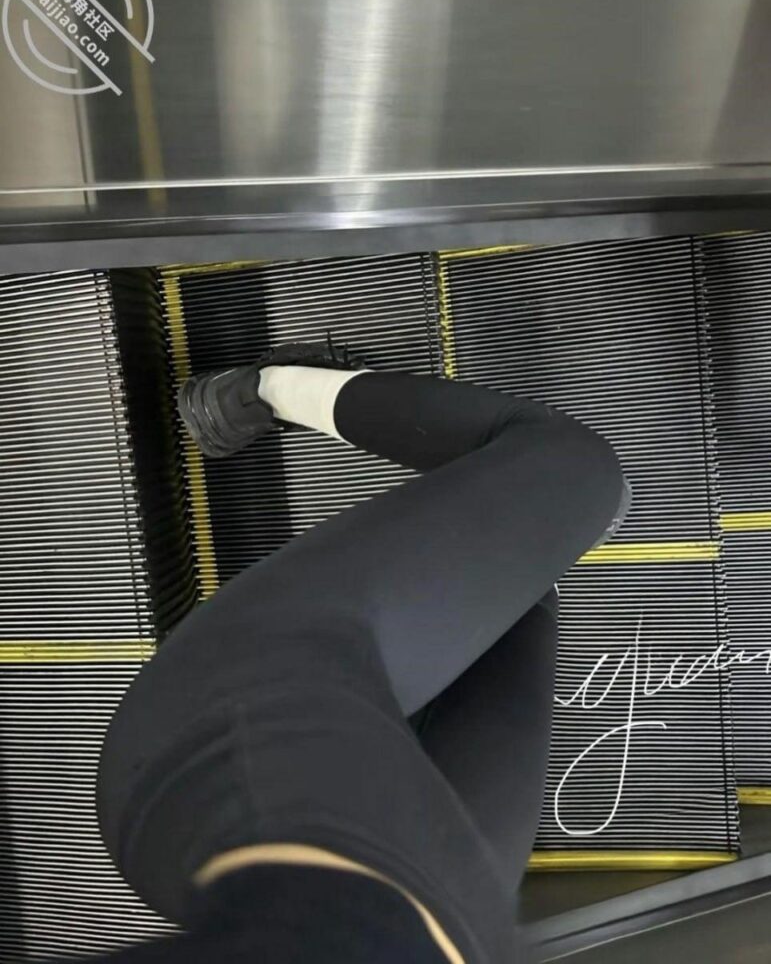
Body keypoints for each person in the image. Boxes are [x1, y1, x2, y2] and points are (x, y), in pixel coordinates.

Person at [87, 340, 629, 964]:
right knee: (529, 587)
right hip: (453, 916)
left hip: (228, 768)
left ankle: (266, 390)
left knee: (577, 471)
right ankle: (520, 518)